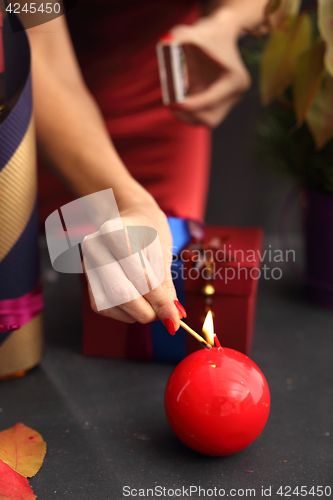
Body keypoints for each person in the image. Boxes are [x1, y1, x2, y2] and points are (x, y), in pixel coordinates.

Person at [28, 0, 267, 336]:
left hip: (163, 93)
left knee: (149, 277)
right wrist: (128, 200)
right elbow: (36, 42)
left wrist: (227, 22)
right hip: (44, 103)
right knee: (35, 267)